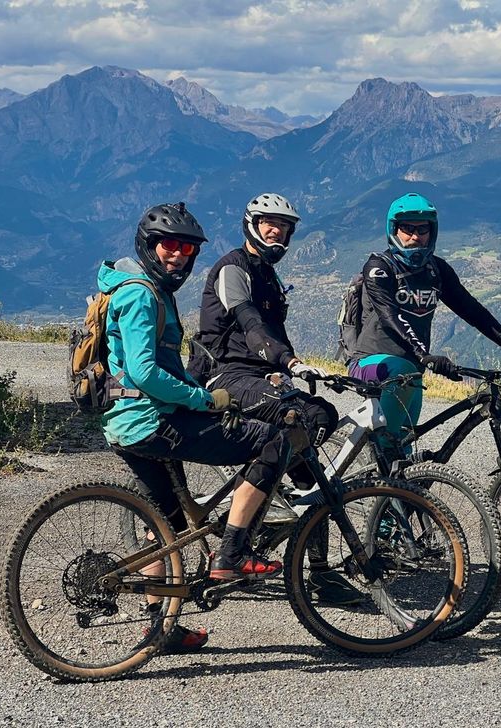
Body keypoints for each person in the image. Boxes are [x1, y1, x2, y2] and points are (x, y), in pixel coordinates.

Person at [101, 202, 288, 654]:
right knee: (274, 442)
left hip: (129, 423)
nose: (179, 255)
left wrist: (197, 392)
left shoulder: (142, 288)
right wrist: (205, 399)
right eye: (170, 244)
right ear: (149, 245)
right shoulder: (142, 294)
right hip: (152, 421)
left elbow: (162, 368)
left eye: (187, 247)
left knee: (162, 522)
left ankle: (159, 627)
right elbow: (145, 373)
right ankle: (233, 554)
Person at [190, 193, 354, 605]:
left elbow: (273, 334)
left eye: (283, 226)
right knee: (294, 418)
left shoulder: (268, 274)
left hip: (262, 375)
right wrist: (290, 361)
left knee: (319, 424)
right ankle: (230, 550)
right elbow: (249, 325)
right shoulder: (233, 268)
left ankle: (317, 572)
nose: (276, 230)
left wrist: (304, 371)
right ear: (251, 224)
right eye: (268, 222)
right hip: (224, 375)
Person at [348, 192, 501, 455]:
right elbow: (389, 315)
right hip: (371, 365)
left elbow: (474, 313)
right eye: (407, 229)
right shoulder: (379, 267)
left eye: (422, 230)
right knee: (389, 446)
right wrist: (424, 355)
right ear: (393, 230)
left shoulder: (437, 270)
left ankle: (396, 489)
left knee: (405, 451)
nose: (415, 236)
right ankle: (356, 487)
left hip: (412, 370)